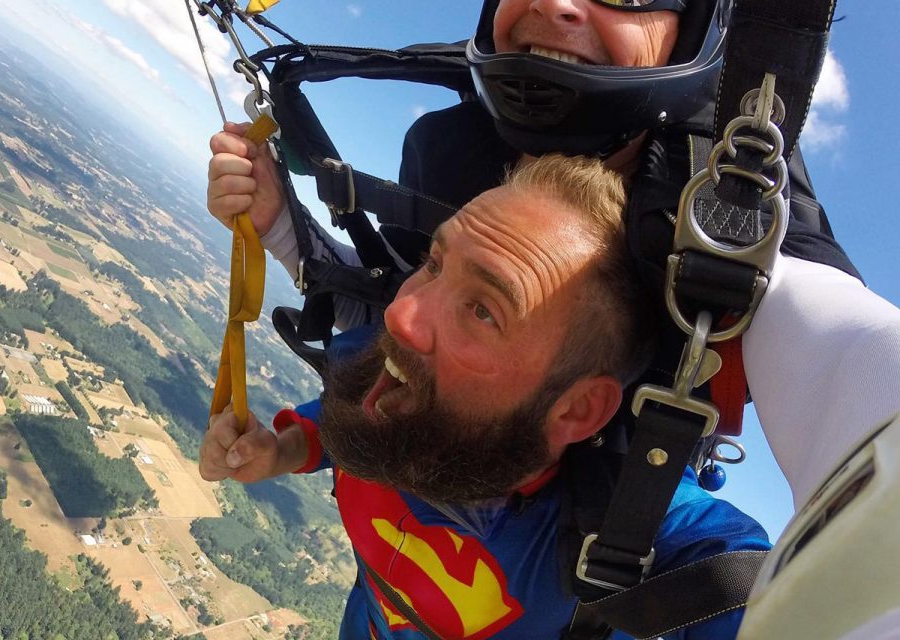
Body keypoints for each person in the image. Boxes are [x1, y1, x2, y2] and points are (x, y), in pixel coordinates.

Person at [207, 0, 900, 510]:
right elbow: (402, 325)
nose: (555, 3)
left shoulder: (735, 229)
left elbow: (851, 356)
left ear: (694, 29)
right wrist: (280, 225)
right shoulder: (450, 153)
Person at [201, 154, 771, 639]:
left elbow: (746, 579)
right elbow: (343, 418)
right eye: (434, 264)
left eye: (482, 310)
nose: (399, 315)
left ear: (575, 410)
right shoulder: (390, 373)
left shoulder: (618, 523)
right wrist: (280, 447)